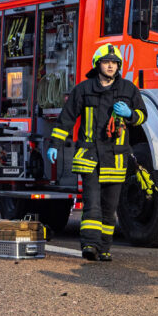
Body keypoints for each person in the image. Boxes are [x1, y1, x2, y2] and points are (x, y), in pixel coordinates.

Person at [47, 43, 147, 262]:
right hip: (89, 156)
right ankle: (90, 245)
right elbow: (66, 119)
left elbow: (142, 116)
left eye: (114, 63)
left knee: (110, 207)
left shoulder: (128, 89)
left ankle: (104, 248)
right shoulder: (83, 89)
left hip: (115, 157)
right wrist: (55, 144)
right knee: (92, 203)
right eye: (106, 62)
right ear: (97, 65)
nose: (110, 66)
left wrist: (130, 114)